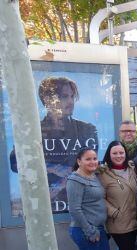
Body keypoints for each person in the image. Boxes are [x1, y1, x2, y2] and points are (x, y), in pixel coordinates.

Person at [11, 77, 98, 205]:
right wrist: (53, 168)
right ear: (48, 100)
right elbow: (16, 163)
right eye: (64, 96)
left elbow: (91, 165)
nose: (70, 101)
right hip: (43, 203)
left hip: (81, 200)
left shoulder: (87, 130)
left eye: (72, 96)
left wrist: (58, 185)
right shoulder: (31, 132)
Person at [67, 147, 112, 250]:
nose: (93, 161)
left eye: (94, 158)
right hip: (85, 230)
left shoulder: (93, 175)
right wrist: (89, 230)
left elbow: (101, 167)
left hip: (99, 228)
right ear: (79, 161)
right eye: (88, 159)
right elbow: (74, 209)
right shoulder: (75, 180)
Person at [97, 141, 137, 250]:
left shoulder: (131, 168)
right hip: (118, 222)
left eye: (121, 152)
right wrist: (113, 211)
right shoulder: (103, 173)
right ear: (109, 154)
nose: (118, 155)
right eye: (115, 153)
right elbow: (99, 197)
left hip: (134, 219)